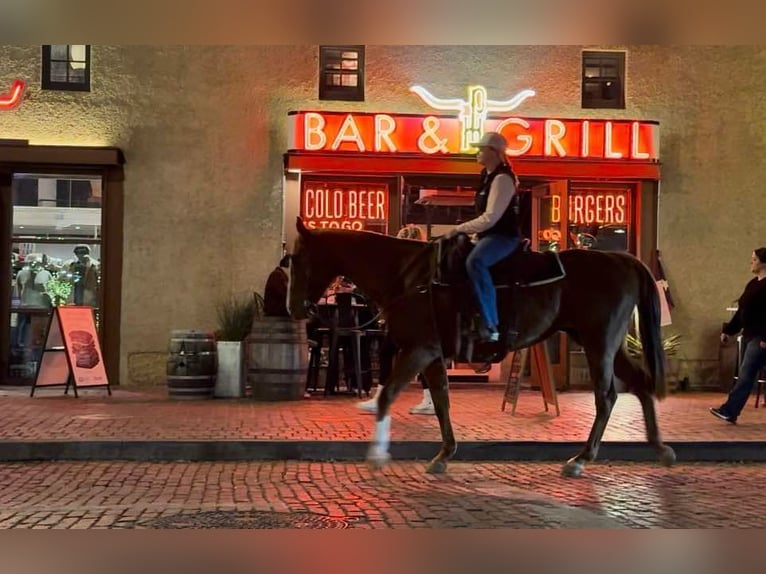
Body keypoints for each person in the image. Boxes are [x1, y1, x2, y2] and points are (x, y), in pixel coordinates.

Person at [444, 131, 522, 343]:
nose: (477, 153)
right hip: (490, 235)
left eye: (481, 149)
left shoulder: (502, 179)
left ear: (494, 152)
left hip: (503, 237)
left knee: (476, 262)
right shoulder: (488, 177)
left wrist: (460, 229)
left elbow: (490, 218)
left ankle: (490, 323)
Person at [357, 223, 434, 415]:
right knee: (406, 354)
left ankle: (385, 398)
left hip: (412, 317)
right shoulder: (421, 262)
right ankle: (428, 399)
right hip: (414, 316)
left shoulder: (412, 264)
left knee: (391, 352)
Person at [710, 247, 766, 424]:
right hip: (749, 334)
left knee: (746, 373)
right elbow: (742, 311)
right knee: (746, 373)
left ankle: (730, 410)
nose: (751, 262)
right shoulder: (752, 283)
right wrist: (729, 331)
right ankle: (730, 411)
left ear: (764, 262)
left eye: (754, 259)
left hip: (760, 337)